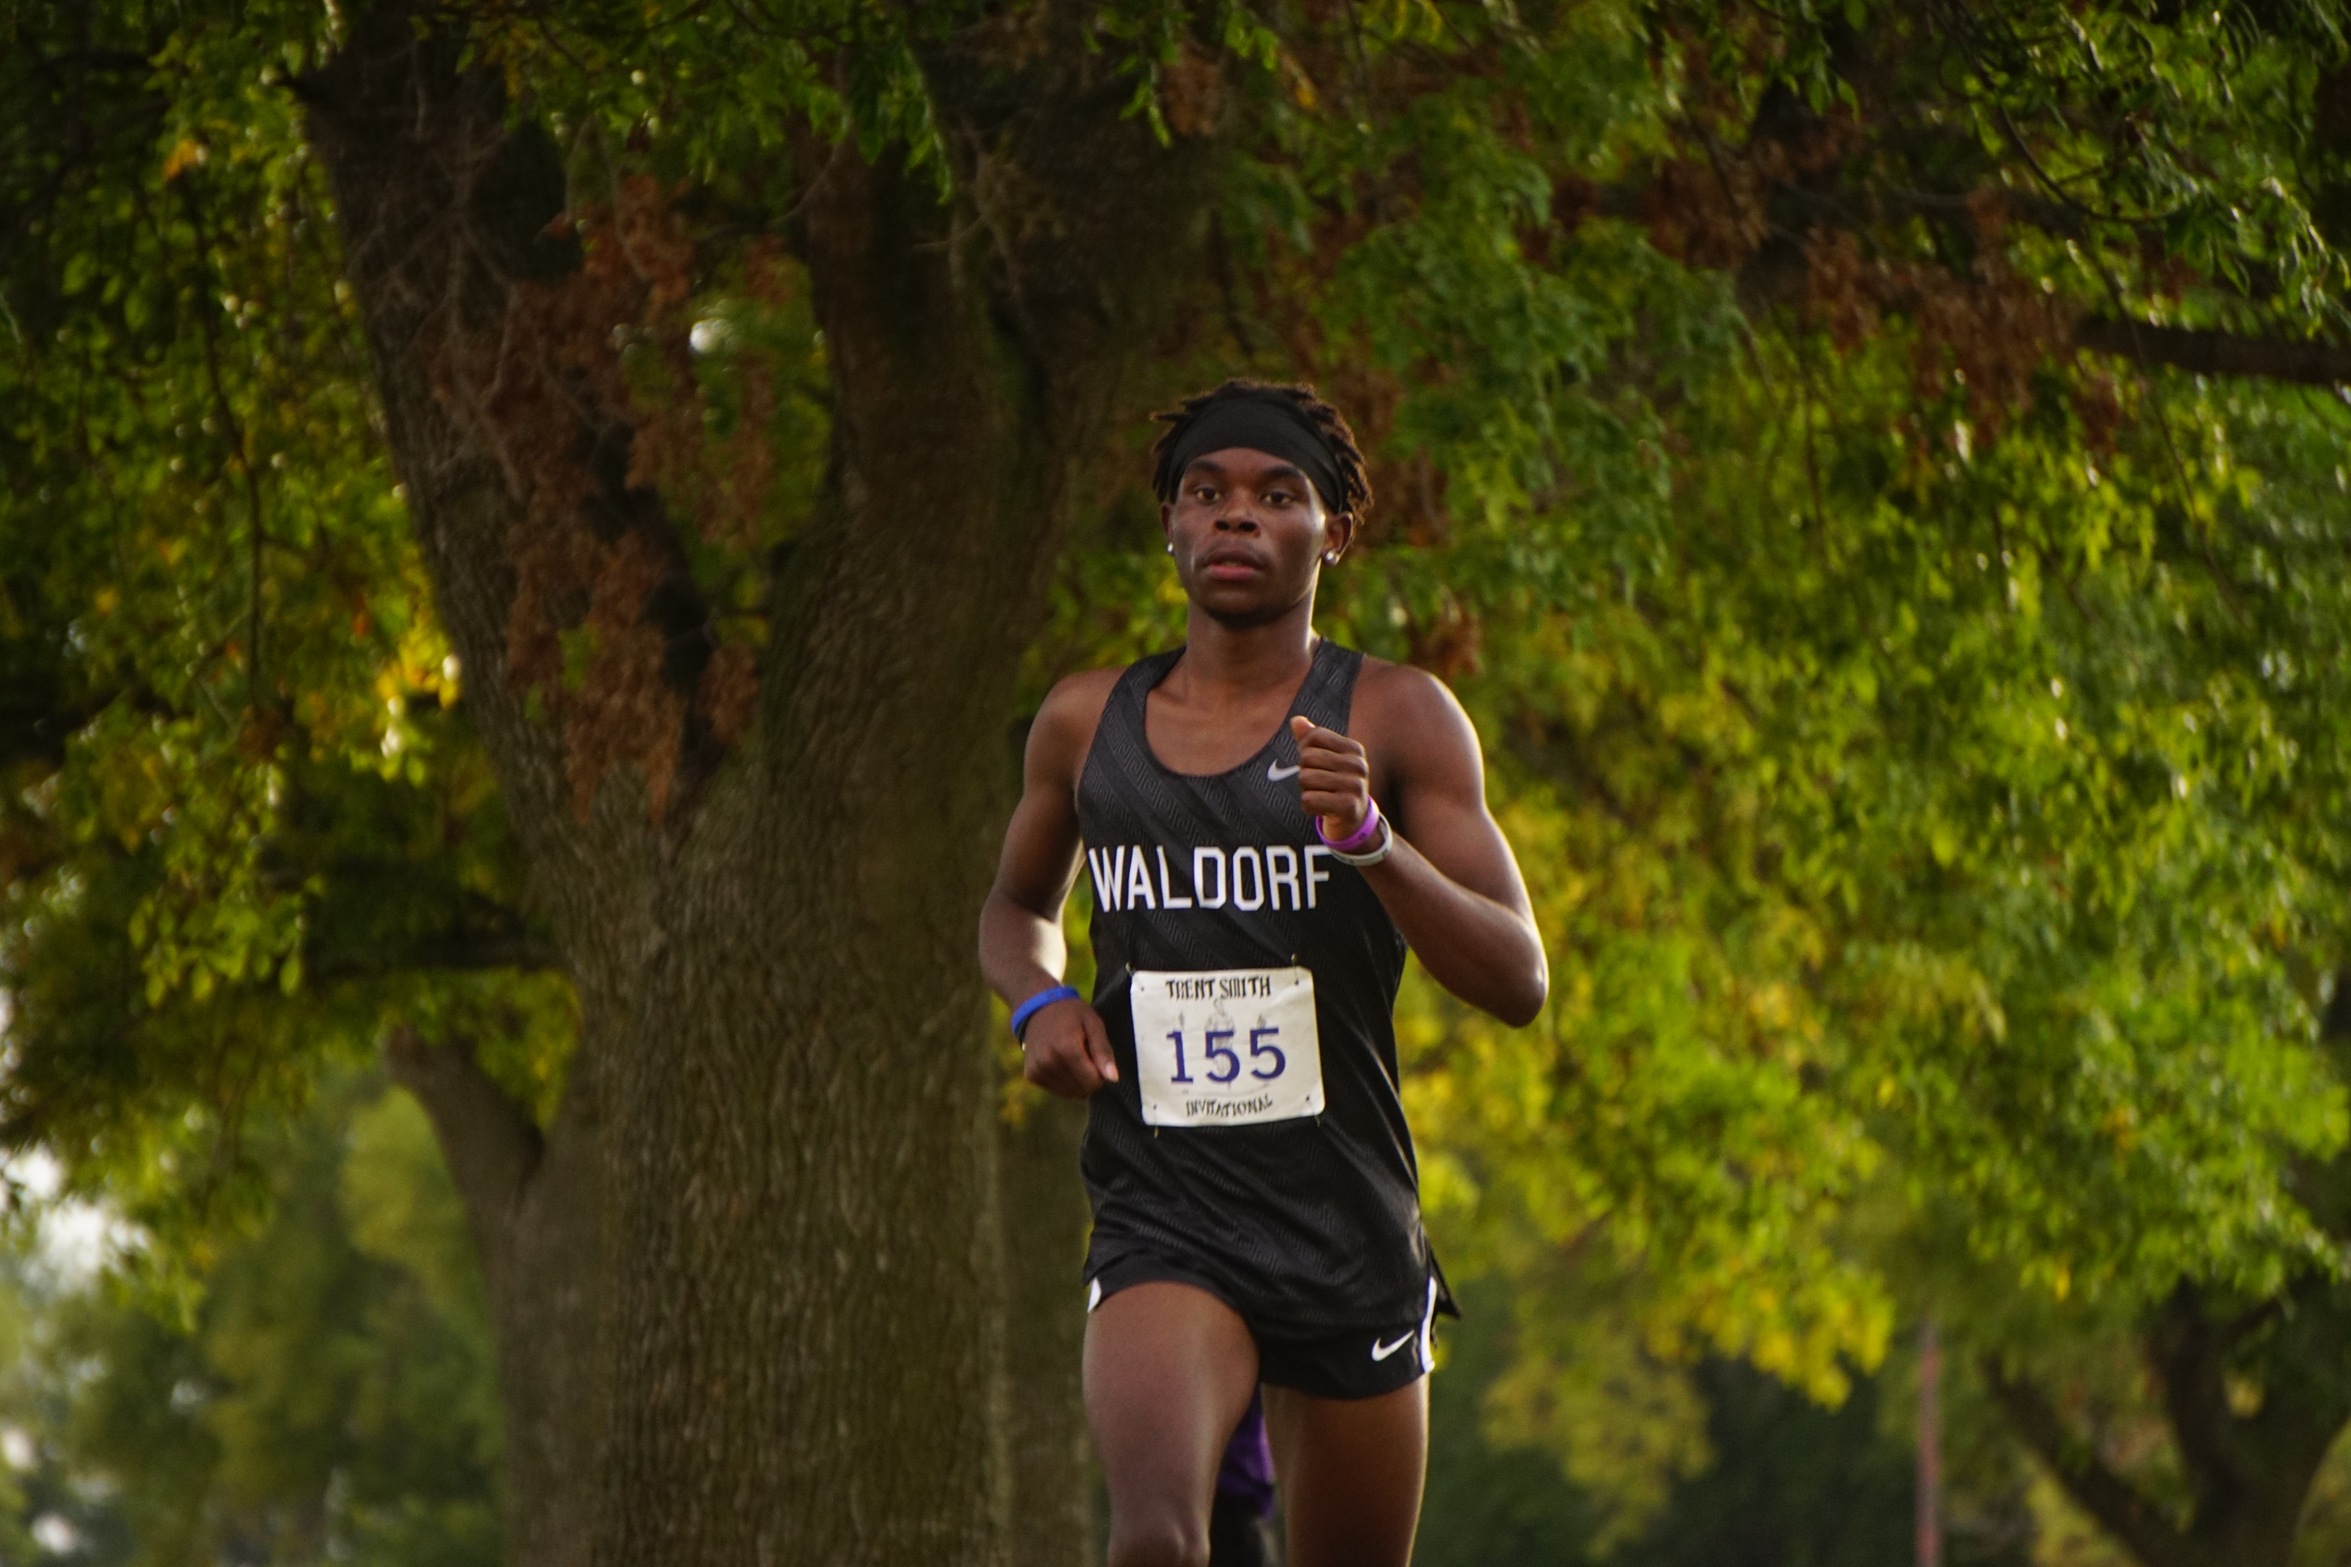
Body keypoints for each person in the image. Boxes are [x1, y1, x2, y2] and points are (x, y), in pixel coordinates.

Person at [978, 380, 1547, 1567]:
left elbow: (1515, 975)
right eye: (1206, 493)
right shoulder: (1085, 723)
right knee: (1155, 1541)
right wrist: (1038, 998)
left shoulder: (1395, 716)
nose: (1235, 517)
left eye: (1275, 495)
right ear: (1170, 526)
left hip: (1344, 1222)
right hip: (1163, 1211)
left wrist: (1373, 849)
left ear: (1332, 533)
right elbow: (1017, 906)